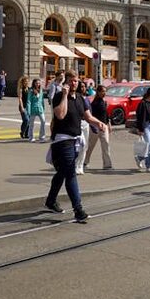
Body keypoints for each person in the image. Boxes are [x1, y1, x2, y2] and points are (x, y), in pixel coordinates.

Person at [44, 70, 108, 223]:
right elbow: (60, 115)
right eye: (71, 81)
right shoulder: (60, 96)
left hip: (75, 141)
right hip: (62, 141)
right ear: (66, 82)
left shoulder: (80, 98)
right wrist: (65, 95)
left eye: (76, 81)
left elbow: (87, 116)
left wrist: (98, 122)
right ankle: (78, 210)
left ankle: (51, 201)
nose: (74, 83)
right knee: (71, 174)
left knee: (62, 173)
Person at [84, 84, 113, 169]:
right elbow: (91, 116)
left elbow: (106, 114)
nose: (104, 93)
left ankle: (107, 164)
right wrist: (93, 125)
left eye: (105, 91)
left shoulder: (104, 101)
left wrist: (109, 124)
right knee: (90, 146)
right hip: (95, 127)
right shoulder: (94, 103)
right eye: (102, 91)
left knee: (106, 145)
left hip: (104, 126)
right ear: (98, 92)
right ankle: (85, 162)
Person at [74, 80, 91, 175]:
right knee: (79, 145)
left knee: (85, 146)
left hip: (86, 124)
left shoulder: (86, 99)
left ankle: (80, 166)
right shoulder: (76, 98)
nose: (83, 88)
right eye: (81, 86)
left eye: (84, 86)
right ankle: (76, 165)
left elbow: (90, 112)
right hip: (78, 124)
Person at [27, 78, 47, 142]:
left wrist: (43, 107)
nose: (38, 84)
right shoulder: (31, 91)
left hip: (40, 109)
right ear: (34, 83)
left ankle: (42, 137)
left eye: (39, 83)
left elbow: (42, 100)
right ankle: (31, 137)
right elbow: (29, 101)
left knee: (43, 121)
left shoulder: (41, 90)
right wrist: (28, 110)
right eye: (36, 83)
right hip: (33, 109)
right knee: (31, 124)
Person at [18, 75, 31, 140]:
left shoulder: (29, 89)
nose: (26, 83)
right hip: (23, 106)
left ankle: (27, 134)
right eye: (25, 81)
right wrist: (22, 107)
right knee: (26, 120)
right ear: (23, 82)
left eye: (27, 81)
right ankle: (22, 132)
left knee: (29, 120)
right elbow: (20, 98)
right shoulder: (21, 89)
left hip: (29, 106)